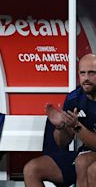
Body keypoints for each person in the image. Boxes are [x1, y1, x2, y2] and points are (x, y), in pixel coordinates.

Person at [30, 53, 96, 187]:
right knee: (32, 169)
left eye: (92, 73)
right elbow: (62, 143)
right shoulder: (74, 98)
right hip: (84, 153)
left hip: (88, 156)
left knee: (86, 165)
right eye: (82, 73)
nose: (86, 78)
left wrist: (76, 126)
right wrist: (61, 127)